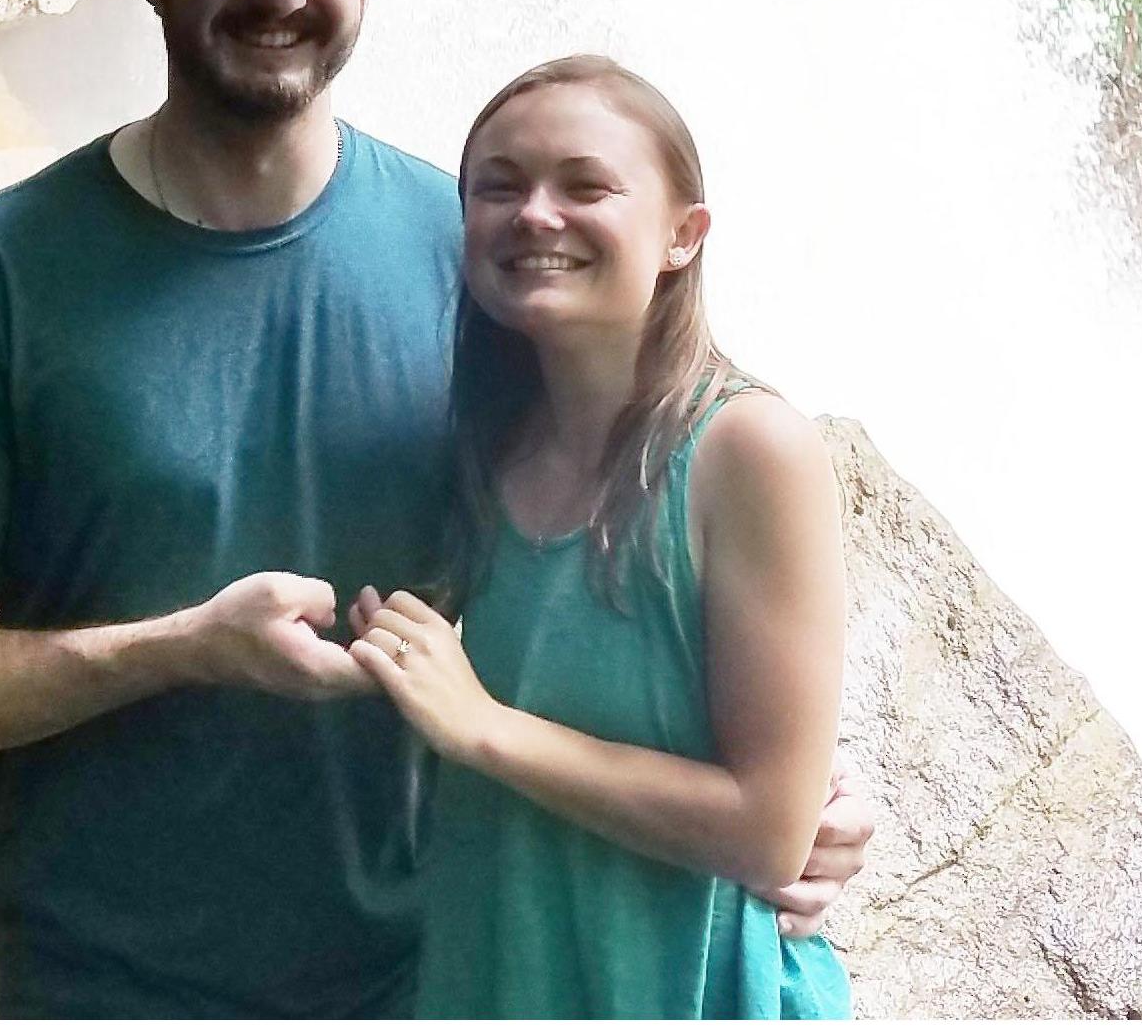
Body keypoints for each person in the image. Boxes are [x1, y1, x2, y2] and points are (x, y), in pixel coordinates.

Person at [0, 0, 872, 1017]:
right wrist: (175, 649)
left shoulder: (481, 256)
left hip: (422, 973)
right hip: (104, 975)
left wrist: (793, 792)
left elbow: (620, 540)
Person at [347, 56, 851, 1018]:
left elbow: (772, 831)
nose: (536, 213)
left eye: (587, 186)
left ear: (682, 235)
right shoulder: (482, 449)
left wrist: (487, 728)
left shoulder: (748, 450)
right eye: (500, 186)